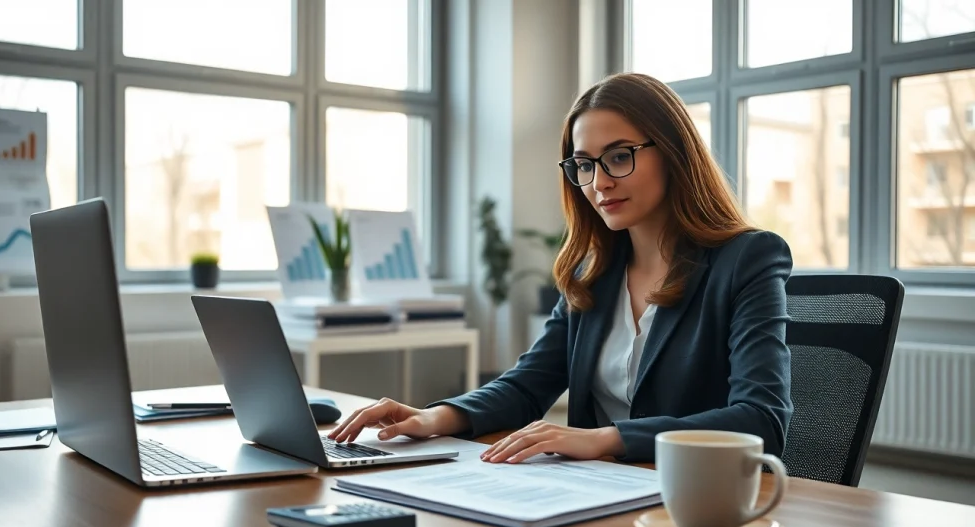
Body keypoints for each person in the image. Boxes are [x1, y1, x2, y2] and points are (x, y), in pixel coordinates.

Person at [328, 72, 793, 464]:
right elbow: (527, 386)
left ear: (673, 151)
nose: (600, 182)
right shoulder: (595, 274)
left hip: (700, 503)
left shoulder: (746, 260)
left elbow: (760, 419)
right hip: (601, 499)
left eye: (618, 156)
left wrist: (603, 438)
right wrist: (433, 418)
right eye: (584, 165)